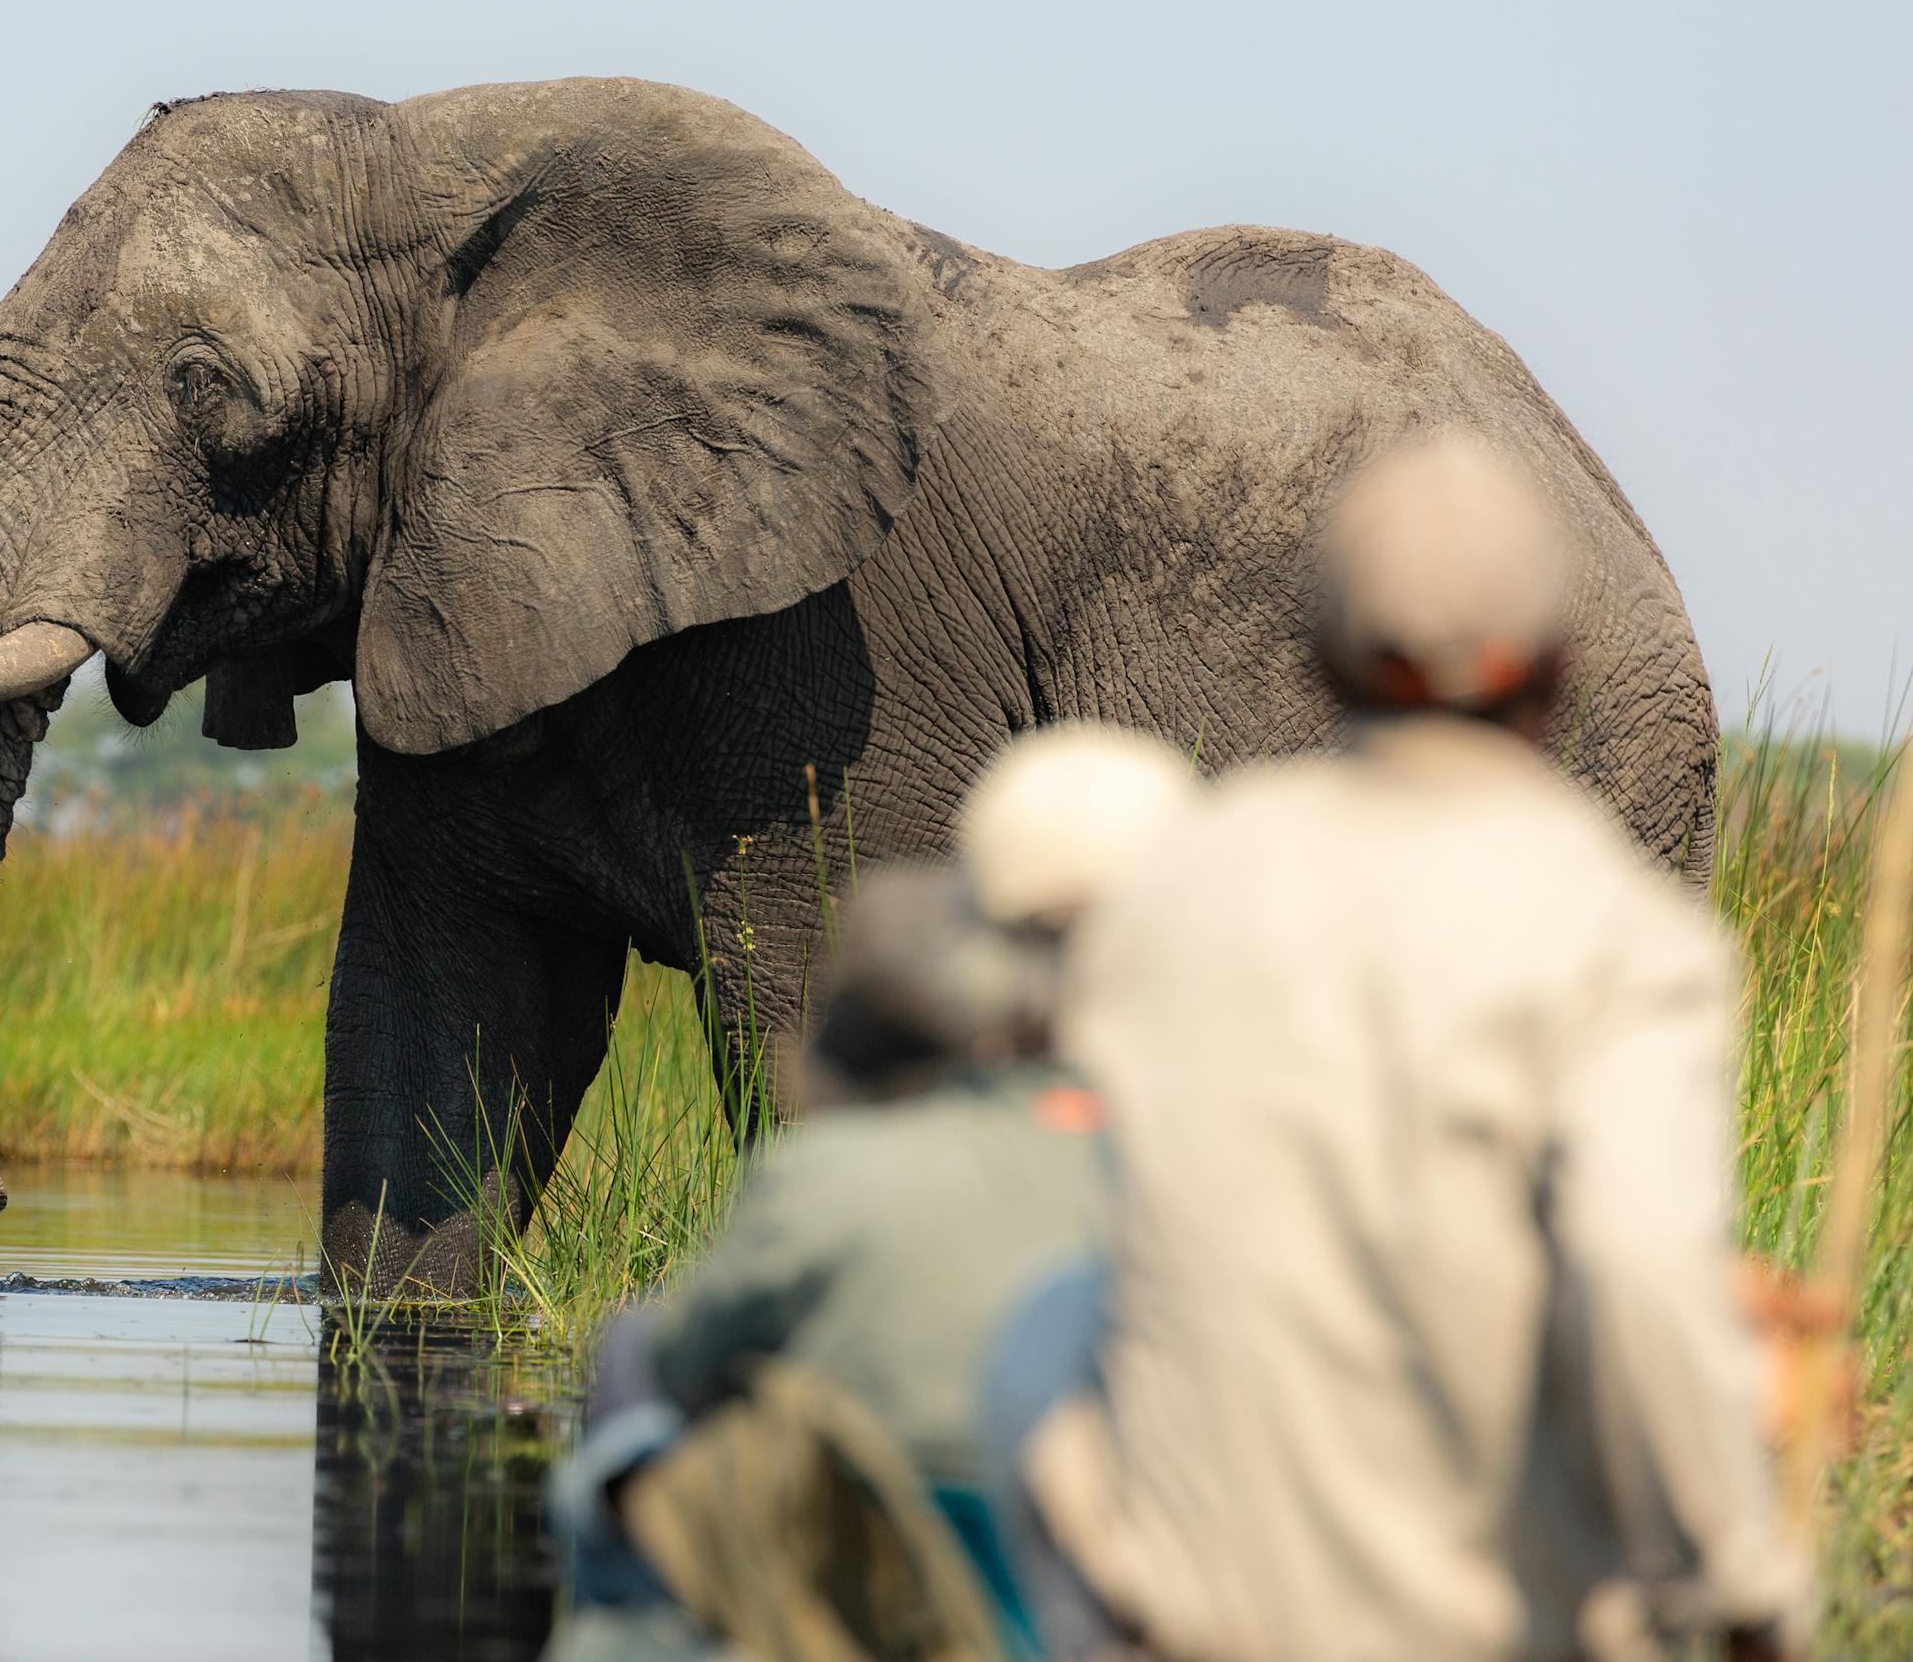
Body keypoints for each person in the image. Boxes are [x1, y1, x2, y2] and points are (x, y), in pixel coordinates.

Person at [1011, 434, 1814, 1662]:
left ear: (1321, 650)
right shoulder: (1621, 934)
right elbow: (1639, 1262)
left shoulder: (1171, 886)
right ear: (1557, 662)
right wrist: (1744, 1583)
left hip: (1152, 1618)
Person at [549, 726, 1196, 1660]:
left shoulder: (834, 1177)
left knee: (634, 1363)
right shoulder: (1274, 1182)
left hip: (917, 1609)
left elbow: (686, 1368)